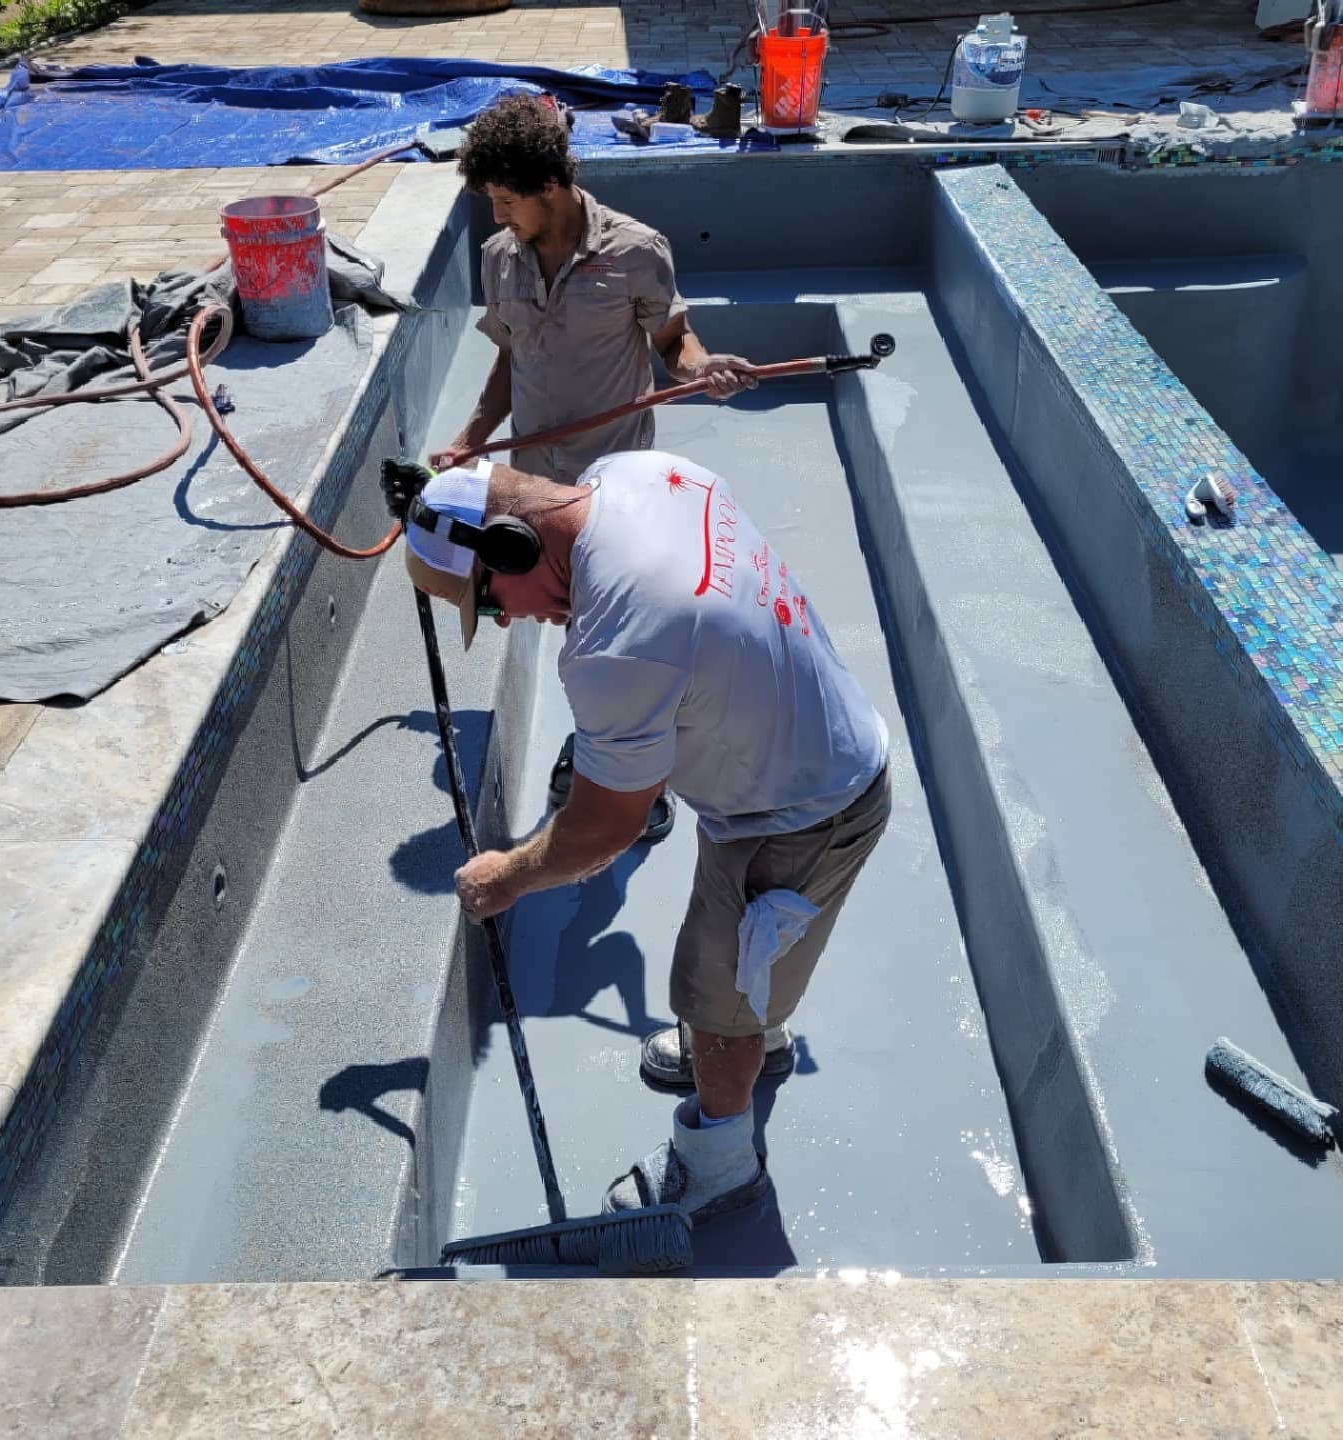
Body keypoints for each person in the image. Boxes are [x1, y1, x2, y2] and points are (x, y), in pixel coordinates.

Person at [403, 449, 891, 1225]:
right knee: (737, 964)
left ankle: (720, 1166)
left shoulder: (618, 643)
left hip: (803, 813)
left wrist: (508, 876)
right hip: (808, 746)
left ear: (512, 548)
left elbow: (605, 826)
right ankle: (752, 1038)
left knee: (715, 992)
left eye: (493, 604)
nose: (512, 622)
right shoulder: (639, 472)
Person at [429, 96, 757, 845]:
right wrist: (473, 436)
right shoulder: (499, 256)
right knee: (581, 634)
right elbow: (511, 358)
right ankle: (605, 758)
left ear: (549, 185)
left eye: (508, 202)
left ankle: (636, 784)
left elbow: (675, 343)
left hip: (615, 491)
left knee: (631, 642)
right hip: (536, 491)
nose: (498, 217)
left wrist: (703, 368)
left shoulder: (638, 251)